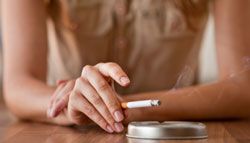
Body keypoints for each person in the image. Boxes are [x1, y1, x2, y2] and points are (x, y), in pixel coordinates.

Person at [2, 0, 250, 133]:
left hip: (172, 138)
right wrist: (71, 104)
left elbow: (242, 87)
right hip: (68, 137)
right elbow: (18, 84)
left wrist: (119, 107)